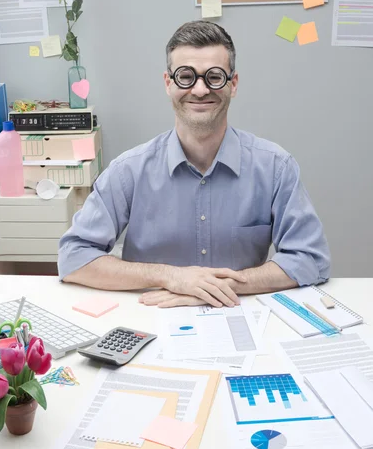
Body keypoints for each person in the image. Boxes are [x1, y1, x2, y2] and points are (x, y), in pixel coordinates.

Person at [58, 21, 330, 308]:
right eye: (185, 76)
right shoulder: (128, 171)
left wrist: (211, 287)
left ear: (233, 84)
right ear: (168, 83)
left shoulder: (276, 167)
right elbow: (74, 257)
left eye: (214, 77)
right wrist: (170, 277)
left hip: (240, 319)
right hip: (149, 322)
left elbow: (311, 258)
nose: (200, 90)